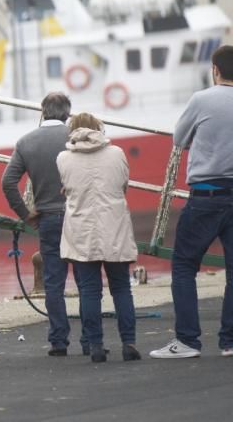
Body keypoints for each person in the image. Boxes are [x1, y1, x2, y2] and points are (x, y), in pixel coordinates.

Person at [151, 44, 233, 359]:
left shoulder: (202, 99)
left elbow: (179, 139)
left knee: (184, 265)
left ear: (215, 70)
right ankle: (229, 341)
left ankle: (187, 341)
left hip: (207, 194)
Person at [1, 92, 87, 356]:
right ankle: (90, 340)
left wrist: (26, 214)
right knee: (86, 281)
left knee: (53, 282)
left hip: (48, 218)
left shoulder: (26, 142)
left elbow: (7, 182)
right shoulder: (77, 138)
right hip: (79, 216)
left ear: (42, 112)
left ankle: (59, 341)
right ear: (67, 113)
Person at [57, 112, 140, 363]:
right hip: (114, 227)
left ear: (72, 130)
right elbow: (122, 185)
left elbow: (67, 189)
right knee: (122, 288)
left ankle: (95, 345)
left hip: (81, 230)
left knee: (90, 292)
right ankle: (129, 343)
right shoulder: (117, 153)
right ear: (99, 128)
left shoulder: (63, 158)